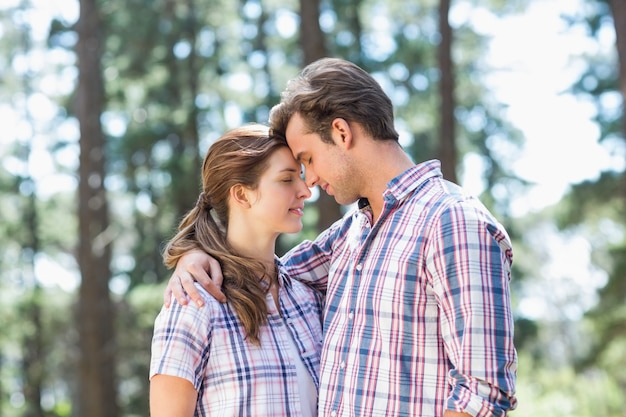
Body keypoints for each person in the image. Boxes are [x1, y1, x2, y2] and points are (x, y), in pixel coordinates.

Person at [164, 58, 518, 417]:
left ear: (341, 133)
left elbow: (483, 394)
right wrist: (193, 256)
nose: (311, 181)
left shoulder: (452, 221)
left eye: (309, 159)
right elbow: (265, 273)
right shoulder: (350, 235)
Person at [149, 124, 324, 417]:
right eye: (286, 179)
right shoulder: (193, 304)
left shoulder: (308, 298)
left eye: (301, 177)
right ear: (242, 195)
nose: (305, 190)